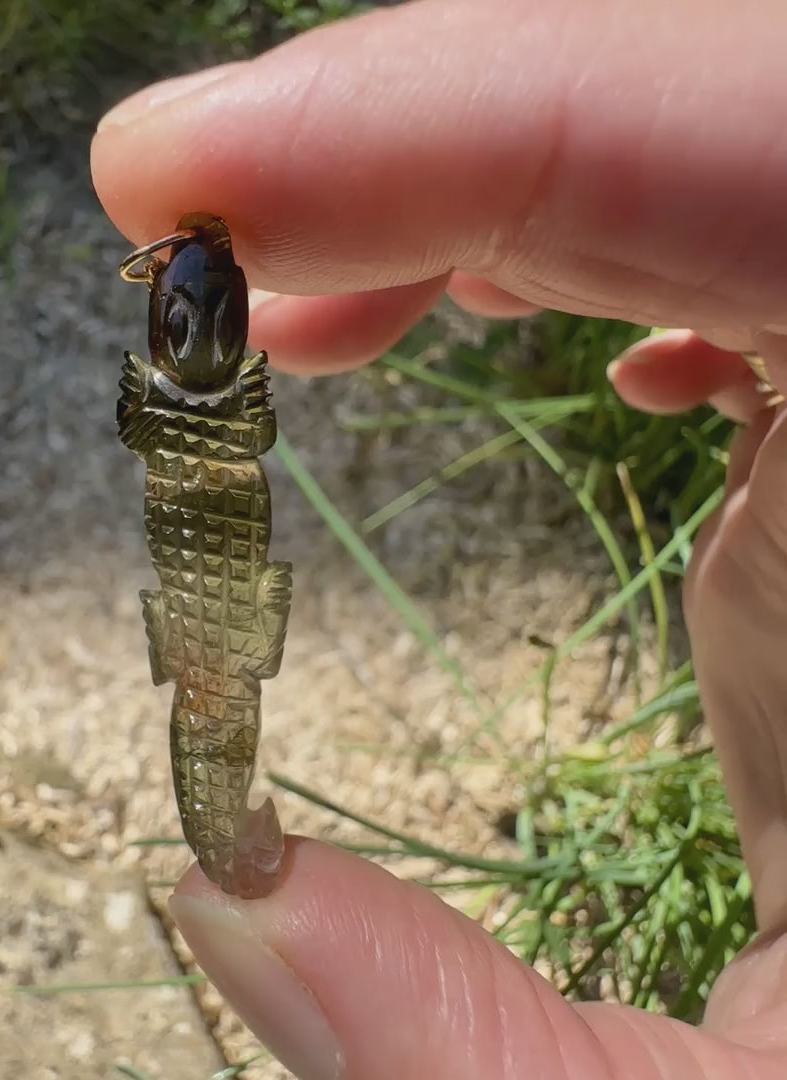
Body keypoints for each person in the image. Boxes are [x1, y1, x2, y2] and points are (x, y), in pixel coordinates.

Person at [90, 1, 787, 1075]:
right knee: (213, 679)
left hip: (216, 540)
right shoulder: (186, 410)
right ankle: (220, 808)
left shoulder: (213, 394)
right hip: (204, 552)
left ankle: (224, 809)